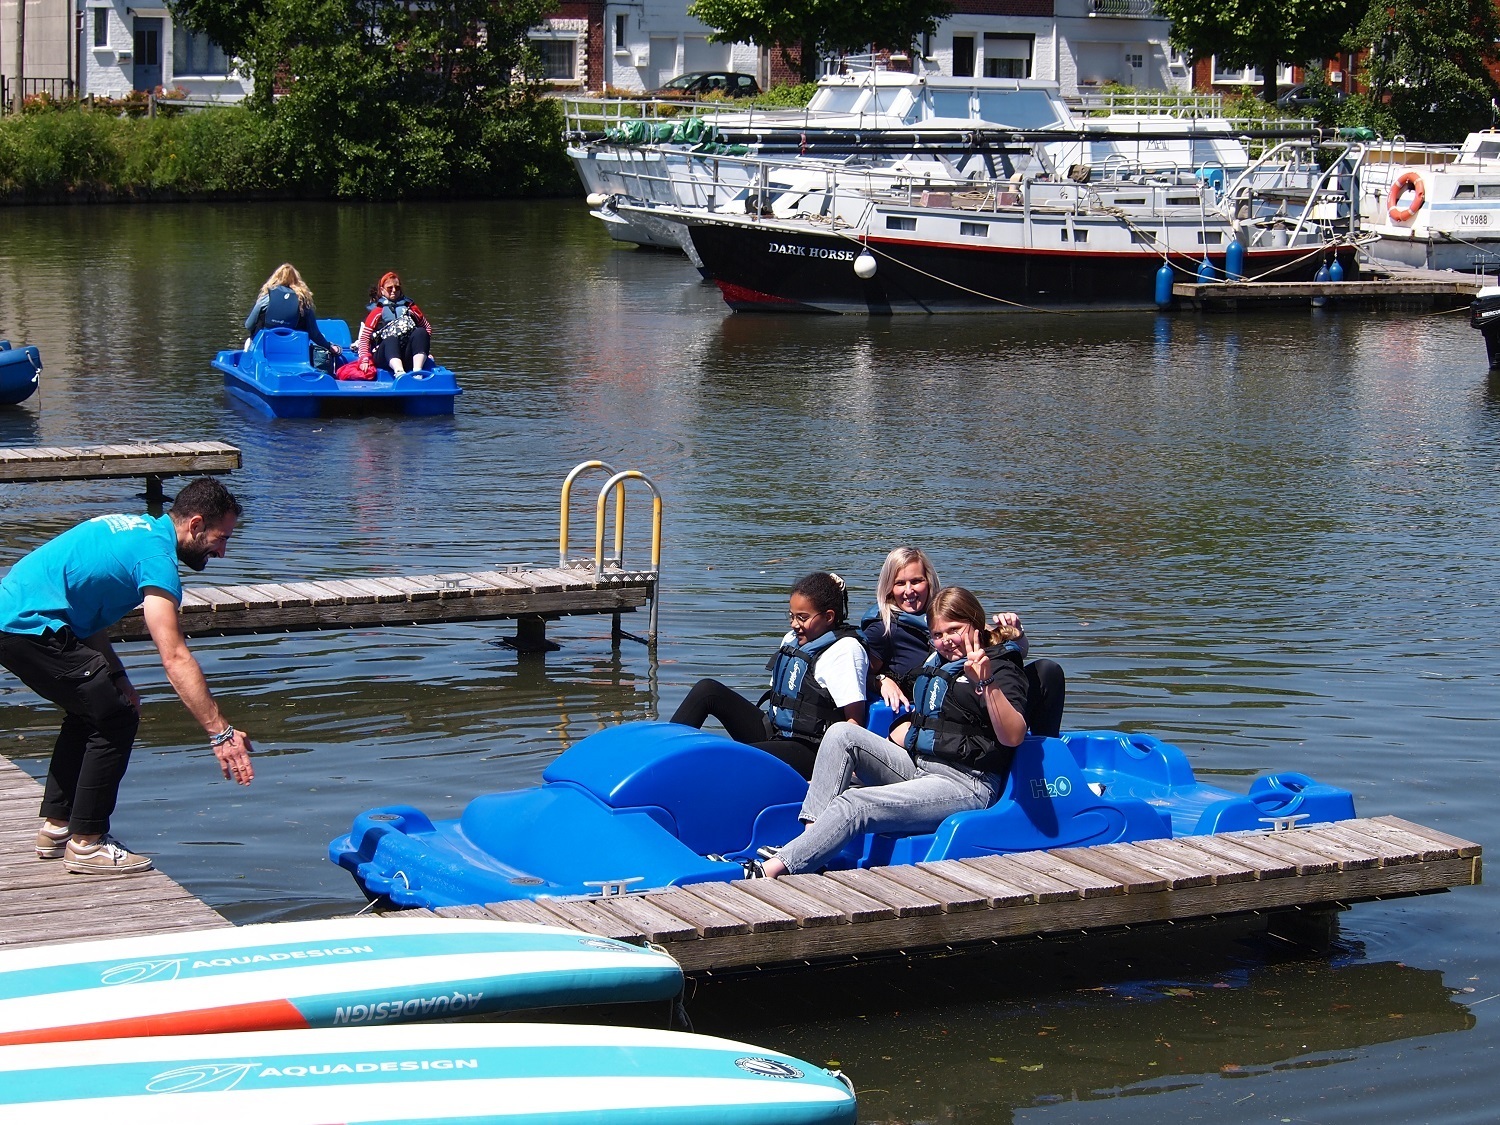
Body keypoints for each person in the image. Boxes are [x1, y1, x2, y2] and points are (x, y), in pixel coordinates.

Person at [0, 478, 256, 876]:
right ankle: (87, 844)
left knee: (97, 706)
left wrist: (119, 675)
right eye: (220, 538)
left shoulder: (134, 529)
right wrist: (219, 732)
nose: (222, 552)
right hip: (28, 627)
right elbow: (173, 655)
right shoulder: (156, 558)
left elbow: (83, 614)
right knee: (116, 716)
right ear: (195, 524)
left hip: (22, 620)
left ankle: (57, 828)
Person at [758, 586, 1027, 879]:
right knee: (841, 734)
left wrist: (985, 682)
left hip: (966, 784)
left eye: (954, 630)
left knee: (855, 803)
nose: (946, 641)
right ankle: (809, 845)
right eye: (937, 634)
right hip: (919, 767)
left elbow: (1012, 737)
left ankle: (771, 872)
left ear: (975, 624)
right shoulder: (939, 663)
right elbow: (901, 685)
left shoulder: (999, 666)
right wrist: (882, 680)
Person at [669, 572, 868, 779]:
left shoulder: (845, 650)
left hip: (811, 750)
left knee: (731, 756)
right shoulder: (792, 639)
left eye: (803, 617)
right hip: (776, 732)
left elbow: (854, 722)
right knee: (707, 690)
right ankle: (661, 755)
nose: (794, 624)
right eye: (791, 616)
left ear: (828, 617)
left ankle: (687, 783)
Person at [861, 546, 1026, 712]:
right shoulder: (882, 629)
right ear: (889, 587)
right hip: (929, 710)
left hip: (976, 695)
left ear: (929, 581)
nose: (909, 591)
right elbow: (856, 674)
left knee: (1044, 671)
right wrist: (880, 681)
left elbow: (1012, 654)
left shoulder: (949, 612)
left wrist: (1017, 633)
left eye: (916, 581)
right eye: (900, 583)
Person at [243, 263, 341, 363]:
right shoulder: (303, 302)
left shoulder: (266, 299)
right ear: (298, 281)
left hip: (265, 347)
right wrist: (329, 346)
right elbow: (314, 334)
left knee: (248, 342)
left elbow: (249, 325)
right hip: (296, 350)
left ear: (274, 279)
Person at [357, 272, 433, 375]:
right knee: (391, 339)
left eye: (397, 288)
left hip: (406, 353)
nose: (394, 291)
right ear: (382, 290)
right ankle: (399, 372)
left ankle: (417, 371)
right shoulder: (378, 310)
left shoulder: (410, 307)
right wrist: (364, 359)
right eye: (390, 288)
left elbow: (427, 327)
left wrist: (424, 349)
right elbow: (364, 338)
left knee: (421, 332)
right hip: (385, 354)